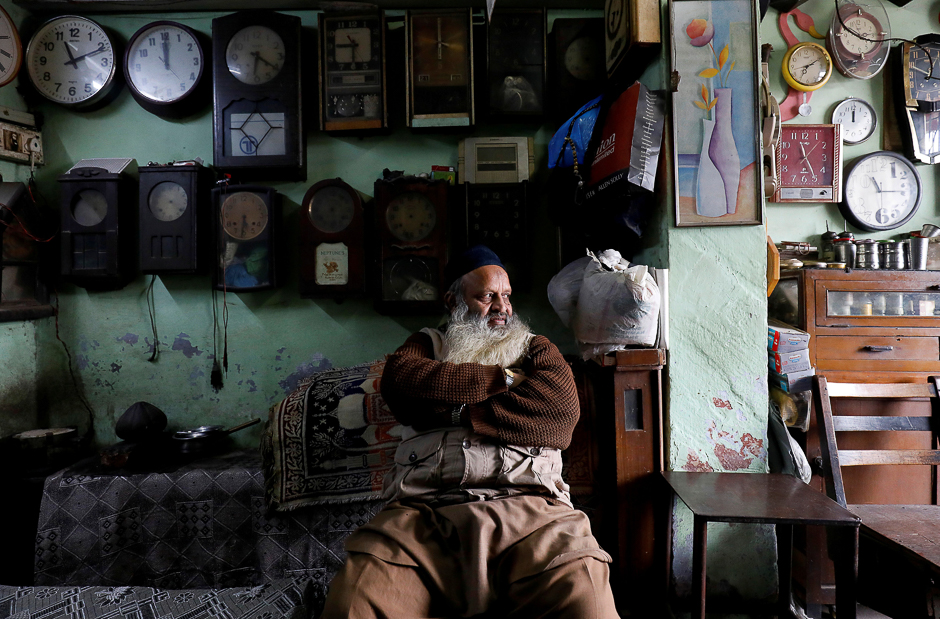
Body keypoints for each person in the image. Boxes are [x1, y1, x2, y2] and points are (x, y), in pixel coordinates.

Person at [321, 245, 620, 619]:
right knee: (353, 601)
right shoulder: (427, 344)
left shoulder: (535, 347)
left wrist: (449, 407)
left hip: (532, 510)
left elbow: (558, 414)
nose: (502, 308)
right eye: (486, 296)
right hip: (425, 514)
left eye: (506, 296)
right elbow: (403, 385)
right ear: (453, 301)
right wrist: (506, 380)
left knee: (587, 600)